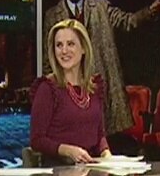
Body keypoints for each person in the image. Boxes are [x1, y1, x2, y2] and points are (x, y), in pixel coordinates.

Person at [43, 0, 160, 137]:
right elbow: (48, 56)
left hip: (98, 81)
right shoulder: (53, 15)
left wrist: (150, 11)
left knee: (102, 133)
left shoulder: (101, 7)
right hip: (69, 84)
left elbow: (127, 21)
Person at [30, 19, 111, 165]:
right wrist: (67, 150)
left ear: (84, 48)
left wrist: (106, 154)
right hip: (58, 171)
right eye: (59, 45)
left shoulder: (94, 87)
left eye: (70, 44)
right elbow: (37, 140)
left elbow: (99, 135)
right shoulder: (48, 88)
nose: (64, 51)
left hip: (92, 169)